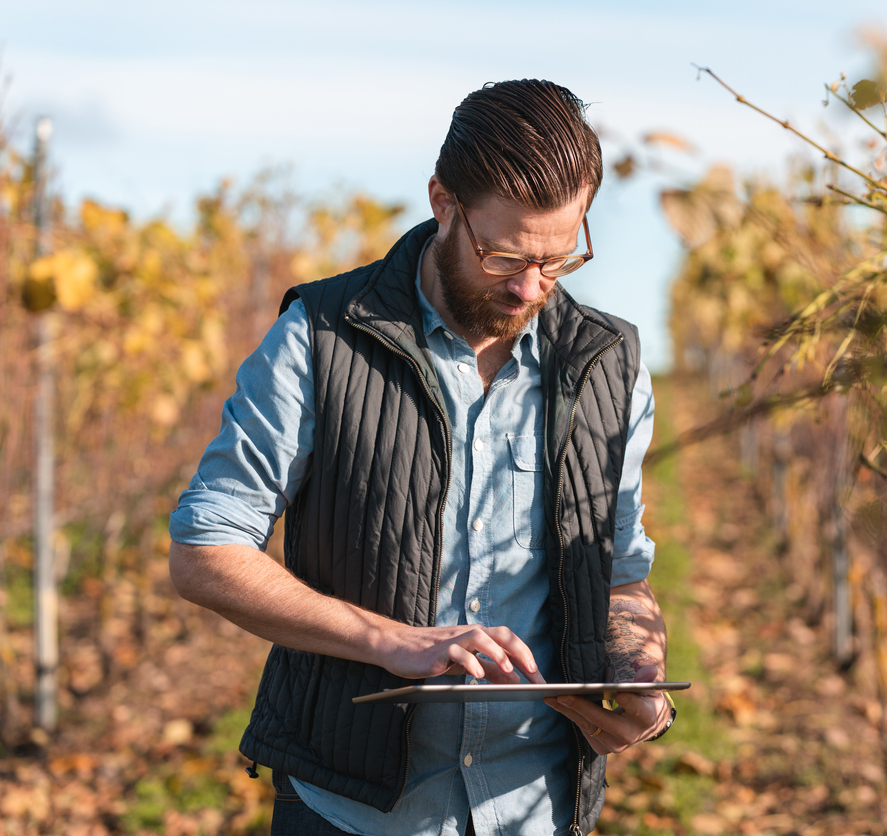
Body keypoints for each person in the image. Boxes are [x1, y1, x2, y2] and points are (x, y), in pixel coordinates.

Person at [168, 79, 673, 836]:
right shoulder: (320, 337)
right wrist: (391, 640)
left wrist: (639, 677)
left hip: (538, 808)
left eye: (560, 258)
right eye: (502, 254)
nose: (530, 285)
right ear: (443, 202)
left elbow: (619, 573)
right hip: (350, 809)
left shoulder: (611, 364)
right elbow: (203, 551)